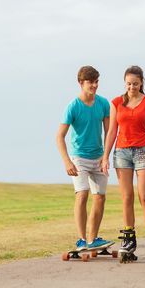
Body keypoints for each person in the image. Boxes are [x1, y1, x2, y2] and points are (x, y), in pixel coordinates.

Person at [101, 65, 145, 263]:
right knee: (126, 197)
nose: (132, 87)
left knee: (144, 196)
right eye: (128, 84)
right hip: (122, 152)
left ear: (141, 83)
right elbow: (111, 132)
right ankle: (128, 238)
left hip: (143, 151)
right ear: (124, 83)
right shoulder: (117, 102)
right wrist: (105, 157)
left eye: (135, 84)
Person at [56, 65, 112, 251]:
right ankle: (81, 240)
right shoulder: (73, 107)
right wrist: (67, 161)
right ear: (81, 83)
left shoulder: (103, 104)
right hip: (79, 157)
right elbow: (59, 136)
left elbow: (109, 131)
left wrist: (105, 157)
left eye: (96, 82)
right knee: (82, 194)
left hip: (98, 157)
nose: (94, 86)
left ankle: (93, 239)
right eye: (90, 82)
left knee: (100, 198)